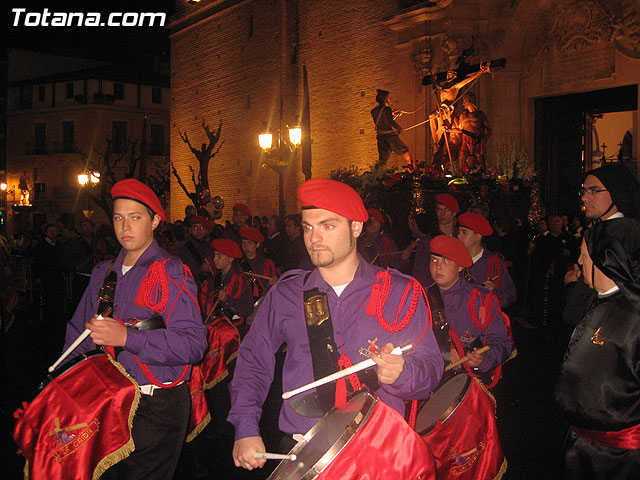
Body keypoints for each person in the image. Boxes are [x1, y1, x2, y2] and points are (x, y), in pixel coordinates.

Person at [228, 178, 443, 471]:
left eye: (327, 225)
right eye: (308, 227)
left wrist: (404, 372)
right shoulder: (287, 292)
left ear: (356, 227)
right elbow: (254, 360)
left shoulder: (399, 291)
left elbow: (431, 368)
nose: (314, 238)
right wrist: (245, 426)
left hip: (381, 455)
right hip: (306, 451)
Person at [62, 179, 208, 479]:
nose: (125, 227)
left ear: (154, 221)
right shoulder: (104, 272)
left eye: (135, 217)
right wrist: (64, 389)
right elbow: (78, 334)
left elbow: (193, 344)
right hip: (108, 403)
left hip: (156, 406)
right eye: (118, 218)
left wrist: (128, 337)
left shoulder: (171, 270)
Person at [555, 218, 640, 479]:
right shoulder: (601, 300)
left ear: (606, 259)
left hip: (617, 460)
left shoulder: (634, 316)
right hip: (583, 447)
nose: (579, 262)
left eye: (583, 256)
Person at [422, 235, 513, 478]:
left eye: (446, 261)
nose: (438, 267)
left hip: (470, 389)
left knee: (471, 457)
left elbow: (502, 343)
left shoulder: (479, 298)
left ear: (461, 266)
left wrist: (485, 359)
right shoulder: (421, 298)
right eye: (433, 260)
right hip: (433, 389)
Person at [563, 164, 639, 326]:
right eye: (584, 191)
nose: (584, 197)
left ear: (616, 192)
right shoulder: (602, 230)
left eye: (594, 191)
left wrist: (575, 286)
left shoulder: (622, 235)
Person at [457, 212, 517, 309]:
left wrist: (494, 291)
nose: (459, 236)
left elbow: (511, 295)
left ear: (478, 236)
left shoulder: (494, 262)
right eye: (458, 232)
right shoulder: (453, 260)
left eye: (464, 232)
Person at [412, 193, 460, 289]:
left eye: (446, 209)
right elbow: (419, 273)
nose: (442, 214)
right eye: (439, 210)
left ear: (454, 213)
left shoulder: (461, 238)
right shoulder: (427, 241)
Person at [370, 89, 413, 170]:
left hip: (380, 137)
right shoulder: (387, 109)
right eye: (388, 98)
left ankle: (375, 175)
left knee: (382, 160)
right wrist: (399, 128)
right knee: (405, 152)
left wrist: (392, 113)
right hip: (390, 136)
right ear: (385, 99)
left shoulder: (374, 111)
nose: (389, 99)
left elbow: (382, 118)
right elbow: (390, 121)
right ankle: (410, 171)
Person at [239, 226, 277, 301]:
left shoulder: (266, 264)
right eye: (243, 243)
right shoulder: (238, 264)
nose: (246, 247)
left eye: (250, 243)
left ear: (257, 244)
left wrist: (270, 284)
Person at [174, 215, 215, 286]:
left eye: (202, 228)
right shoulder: (182, 250)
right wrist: (200, 269)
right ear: (190, 230)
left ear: (206, 231)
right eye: (195, 228)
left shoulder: (210, 248)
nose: (199, 231)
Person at [455, 92, 491, 171]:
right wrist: (448, 129)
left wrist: (485, 138)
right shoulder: (463, 115)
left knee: (480, 160)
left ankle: (484, 176)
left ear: (470, 101)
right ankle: (461, 177)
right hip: (466, 140)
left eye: (464, 101)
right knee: (461, 158)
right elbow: (460, 129)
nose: (463, 103)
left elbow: (488, 129)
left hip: (477, 140)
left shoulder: (480, 114)